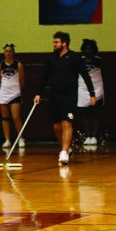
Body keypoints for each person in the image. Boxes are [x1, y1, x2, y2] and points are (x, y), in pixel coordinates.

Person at [33, 31, 95, 165]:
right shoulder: (51, 58)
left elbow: (85, 75)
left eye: (56, 42)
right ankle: (67, 147)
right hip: (54, 96)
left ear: (64, 43)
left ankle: (64, 152)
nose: (54, 44)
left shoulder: (75, 57)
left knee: (67, 123)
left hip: (70, 96)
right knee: (56, 126)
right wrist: (38, 93)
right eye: (53, 42)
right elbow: (44, 77)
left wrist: (92, 93)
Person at [77, 38, 105, 147]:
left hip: (97, 88)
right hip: (83, 89)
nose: (88, 51)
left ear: (95, 50)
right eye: (86, 49)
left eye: (91, 49)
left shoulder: (99, 60)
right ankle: (88, 136)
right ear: (83, 50)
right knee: (86, 113)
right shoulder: (80, 61)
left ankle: (94, 136)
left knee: (96, 113)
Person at [0, 44, 25, 149]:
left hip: (15, 94)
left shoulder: (18, 65)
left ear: (13, 52)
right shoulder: (0, 65)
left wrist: (16, 90)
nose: (8, 53)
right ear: (4, 53)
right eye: (6, 51)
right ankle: (7, 140)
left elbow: (22, 81)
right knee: (5, 118)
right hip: (3, 94)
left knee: (15, 117)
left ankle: (21, 138)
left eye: (10, 51)